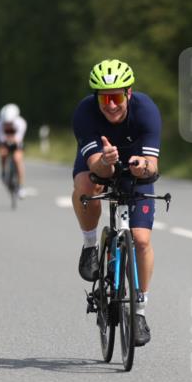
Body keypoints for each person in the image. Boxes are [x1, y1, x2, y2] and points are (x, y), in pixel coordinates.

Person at [72, 59, 161, 346]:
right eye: (104, 98)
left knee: (141, 240)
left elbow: (154, 168)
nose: (110, 105)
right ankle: (89, 246)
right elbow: (97, 168)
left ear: (129, 94)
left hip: (136, 167)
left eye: (116, 97)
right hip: (99, 163)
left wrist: (141, 167)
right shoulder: (85, 113)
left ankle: (139, 311)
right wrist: (107, 162)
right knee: (85, 185)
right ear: (95, 98)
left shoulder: (146, 110)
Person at [0, 103, 27, 199]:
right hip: (5, 141)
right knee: (3, 153)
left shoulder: (21, 123)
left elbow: (18, 139)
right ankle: (3, 172)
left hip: (16, 142)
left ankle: (20, 187)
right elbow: (1, 139)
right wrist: (5, 144)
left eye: (10, 123)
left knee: (18, 159)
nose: (8, 125)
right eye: (6, 123)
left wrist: (13, 141)